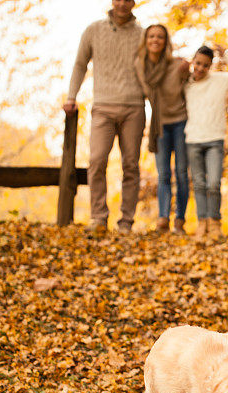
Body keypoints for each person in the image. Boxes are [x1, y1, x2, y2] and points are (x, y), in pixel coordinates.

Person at [64, 0, 144, 233]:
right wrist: (71, 96)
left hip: (134, 108)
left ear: (133, 3)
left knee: (131, 165)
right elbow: (80, 64)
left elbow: (157, 68)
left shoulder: (142, 34)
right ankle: (98, 217)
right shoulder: (93, 30)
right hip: (103, 107)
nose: (122, 3)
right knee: (97, 161)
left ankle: (126, 222)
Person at [184, 44, 228, 239]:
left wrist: (225, 54)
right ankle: (201, 223)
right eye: (197, 63)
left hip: (214, 140)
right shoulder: (185, 83)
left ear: (210, 66)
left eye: (205, 65)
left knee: (213, 183)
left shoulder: (219, 80)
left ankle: (214, 223)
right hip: (193, 140)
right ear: (193, 62)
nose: (200, 68)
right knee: (199, 184)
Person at [134, 24, 190, 234]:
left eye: (160, 37)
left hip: (181, 123)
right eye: (151, 36)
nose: (155, 40)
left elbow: (190, 87)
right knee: (163, 174)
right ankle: (163, 219)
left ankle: (180, 220)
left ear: (166, 41)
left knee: (182, 173)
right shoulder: (141, 65)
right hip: (159, 125)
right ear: (145, 40)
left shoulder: (177, 65)